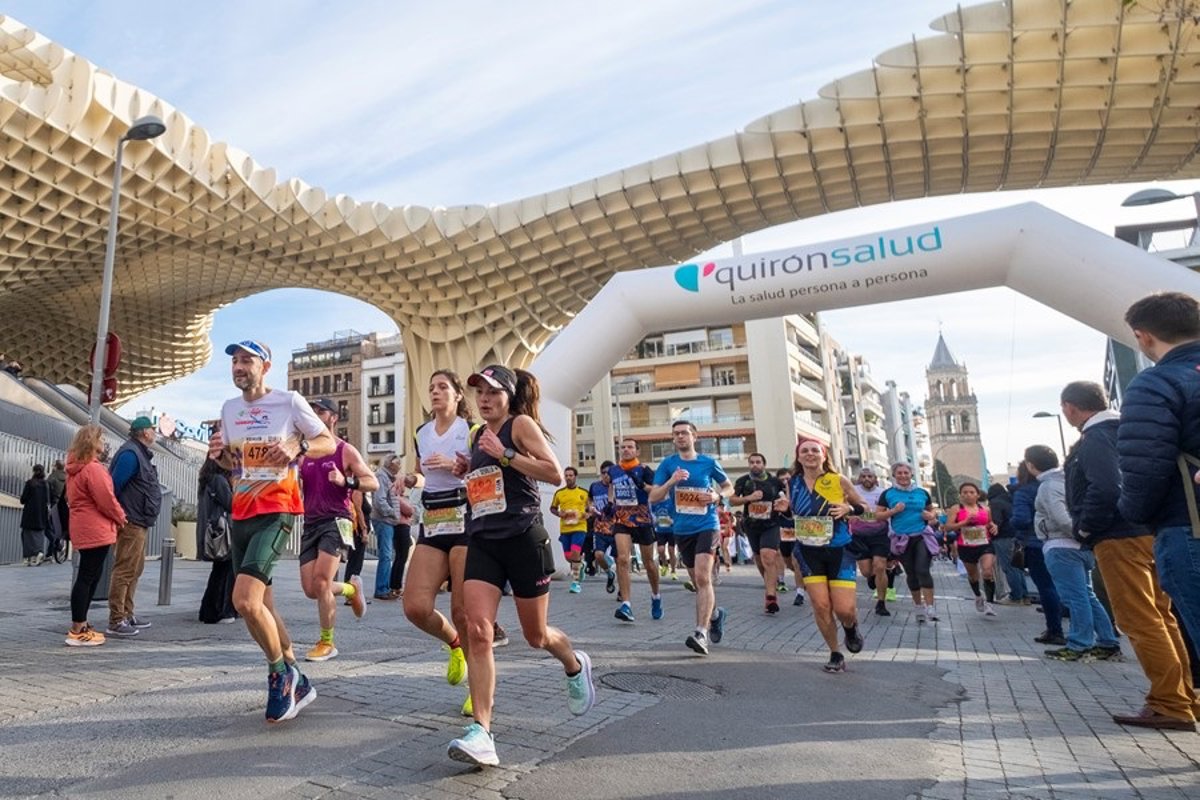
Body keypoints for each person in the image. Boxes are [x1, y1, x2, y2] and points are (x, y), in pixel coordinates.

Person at [446, 365, 594, 767]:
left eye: (493, 392)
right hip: (482, 540)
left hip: (522, 539)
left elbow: (553, 473)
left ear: (509, 396)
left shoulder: (519, 425)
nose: (484, 400)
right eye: (479, 393)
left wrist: (506, 455)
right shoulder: (478, 435)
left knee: (536, 635)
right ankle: (482, 731)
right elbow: (488, 480)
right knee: (477, 630)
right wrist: (470, 469)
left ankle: (575, 664)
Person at [208, 339, 336, 723]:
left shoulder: (290, 401)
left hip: (278, 508)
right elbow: (232, 461)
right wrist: (218, 453)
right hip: (242, 511)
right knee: (263, 606)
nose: (239, 367)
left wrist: (296, 446)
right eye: (234, 361)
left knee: (245, 601)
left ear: (265, 365)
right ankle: (298, 676)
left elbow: (326, 441)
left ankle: (280, 674)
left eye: (247, 360)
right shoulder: (230, 409)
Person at [1062, 380, 1198, 731]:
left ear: (1070, 408)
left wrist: (1086, 528)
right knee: (1162, 617)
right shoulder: (1127, 429)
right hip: (1150, 531)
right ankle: (1183, 697)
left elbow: (1105, 487)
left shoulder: (1095, 439)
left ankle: (1169, 702)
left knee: (1141, 620)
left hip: (1118, 537)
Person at [1117, 292, 1200, 675]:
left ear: (1143, 336)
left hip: (1188, 523)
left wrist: (1133, 513)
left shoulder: (1156, 383)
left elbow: (1145, 466)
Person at [401, 369, 476, 717]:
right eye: (431, 387)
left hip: (464, 515)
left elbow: (482, 471)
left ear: (458, 395)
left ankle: (479, 687)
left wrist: (459, 465)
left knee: (463, 611)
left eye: (442, 387)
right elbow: (423, 474)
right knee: (415, 606)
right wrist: (408, 479)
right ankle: (454, 645)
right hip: (432, 518)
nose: (435, 392)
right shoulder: (421, 432)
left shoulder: (470, 431)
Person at [1026, 444, 1120, 662]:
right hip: (1079, 547)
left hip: (1061, 546)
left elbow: (1060, 516)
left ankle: (1079, 643)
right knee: (1087, 595)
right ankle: (1107, 641)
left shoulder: (1048, 486)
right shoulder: (1066, 480)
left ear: (1031, 465)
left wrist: (1079, 533)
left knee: (1075, 597)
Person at [649, 419, 734, 656]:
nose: (680, 437)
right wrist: (671, 481)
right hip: (682, 529)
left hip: (707, 525)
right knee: (697, 581)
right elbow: (654, 497)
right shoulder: (668, 464)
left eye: (684, 433)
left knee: (702, 576)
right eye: (676, 434)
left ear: (694, 437)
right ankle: (716, 615)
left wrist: (717, 496)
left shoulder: (708, 463)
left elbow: (729, 487)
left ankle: (700, 633)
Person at [298, 398, 373, 661]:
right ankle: (352, 590)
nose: (316, 415)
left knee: (321, 582)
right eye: (312, 411)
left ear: (333, 418)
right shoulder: (304, 453)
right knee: (311, 589)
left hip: (337, 520)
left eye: (321, 411)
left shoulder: (344, 450)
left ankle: (327, 642)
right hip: (311, 523)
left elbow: (371, 482)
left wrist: (346, 481)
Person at [788, 438, 868, 673]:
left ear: (824, 456)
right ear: (799, 457)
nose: (810, 454)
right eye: (805, 451)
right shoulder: (792, 483)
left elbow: (865, 507)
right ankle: (835, 652)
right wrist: (785, 509)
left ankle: (850, 627)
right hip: (808, 551)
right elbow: (795, 513)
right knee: (821, 605)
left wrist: (849, 509)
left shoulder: (838, 480)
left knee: (844, 609)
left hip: (839, 549)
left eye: (815, 450)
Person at [64, 426, 126, 646]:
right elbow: (106, 499)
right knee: (88, 576)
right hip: (96, 528)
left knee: (90, 575)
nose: (104, 442)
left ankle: (81, 624)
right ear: (92, 442)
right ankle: (78, 628)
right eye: (101, 438)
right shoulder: (93, 469)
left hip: (83, 527)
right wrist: (120, 517)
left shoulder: (75, 468)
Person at [106, 416, 162, 638]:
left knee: (135, 570)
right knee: (124, 570)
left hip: (139, 521)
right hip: (130, 521)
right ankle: (116, 619)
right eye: (152, 429)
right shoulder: (131, 454)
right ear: (143, 432)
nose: (154, 433)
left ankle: (127, 613)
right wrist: (120, 515)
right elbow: (114, 486)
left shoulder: (139, 454)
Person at [877, 462, 939, 623]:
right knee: (911, 573)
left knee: (922, 570)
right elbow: (878, 516)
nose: (903, 476)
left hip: (921, 535)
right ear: (894, 475)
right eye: (899, 473)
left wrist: (930, 515)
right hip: (901, 538)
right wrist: (893, 511)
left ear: (911, 474)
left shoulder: (922, 493)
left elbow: (932, 511)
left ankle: (930, 607)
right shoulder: (888, 494)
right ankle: (918, 606)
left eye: (906, 473)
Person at [608, 439, 662, 621]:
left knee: (649, 563)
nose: (625, 450)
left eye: (630, 447)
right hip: (622, 517)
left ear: (637, 451)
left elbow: (655, 492)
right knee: (622, 559)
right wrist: (610, 503)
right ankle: (626, 604)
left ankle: (656, 596)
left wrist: (642, 485)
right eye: (622, 447)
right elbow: (611, 487)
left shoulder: (645, 470)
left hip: (642, 518)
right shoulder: (614, 470)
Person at [731, 453, 786, 614]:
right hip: (752, 525)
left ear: (764, 464)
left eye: (758, 462)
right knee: (760, 561)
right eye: (752, 462)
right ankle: (770, 584)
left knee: (768, 556)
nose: (755, 465)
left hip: (771, 524)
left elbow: (786, 499)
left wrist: (781, 503)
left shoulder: (775, 482)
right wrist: (749, 498)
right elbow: (732, 500)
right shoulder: (743, 481)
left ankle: (771, 597)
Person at [944, 481, 999, 615]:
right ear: (960, 495)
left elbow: (990, 523)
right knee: (973, 576)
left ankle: (990, 603)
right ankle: (978, 596)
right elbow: (948, 527)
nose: (968, 495)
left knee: (987, 571)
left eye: (971, 492)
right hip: (966, 546)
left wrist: (994, 526)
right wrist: (964, 522)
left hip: (985, 544)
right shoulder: (956, 509)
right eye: (965, 493)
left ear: (977, 495)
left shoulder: (985, 509)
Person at [197, 455, 238, 624]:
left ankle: (209, 610)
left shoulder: (207, 479)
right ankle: (218, 611)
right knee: (224, 570)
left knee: (220, 570)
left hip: (214, 531)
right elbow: (231, 504)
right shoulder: (219, 480)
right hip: (222, 532)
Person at [847, 467, 892, 616]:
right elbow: (844, 507)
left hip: (879, 534)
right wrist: (849, 516)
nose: (867, 479)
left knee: (880, 566)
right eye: (864, 476)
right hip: (858, 534)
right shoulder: (853, 491)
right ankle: (871, 577)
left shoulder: (883, 493)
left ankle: (881, 603)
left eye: (870, 476)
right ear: (859, 478)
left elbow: (889, 512)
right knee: (866, 571)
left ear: (875, 478)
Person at [551, 466, 591, 594]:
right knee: (569, 557)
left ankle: (575, 583)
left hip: (580, 527)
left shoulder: (584, 493)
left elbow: (591, 509)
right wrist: (559, 514)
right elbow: (552, 508)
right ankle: (581, 565)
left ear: (575, 477)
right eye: (566, 475)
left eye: (571, 475)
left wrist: (587, 515)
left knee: (574, 554)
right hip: (565, 528)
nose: (568, 478)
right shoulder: (559, 493)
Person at [987, 483, 1026, 604]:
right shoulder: (1011, 500)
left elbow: (996, 521)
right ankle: (1024, 595)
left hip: (1003, 537)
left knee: (1009, 567)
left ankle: (1016, 596)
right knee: (1018, 566)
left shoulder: (995, 503)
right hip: (1016, 536)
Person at [776, 468, 805, 607]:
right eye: (782, 479)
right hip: (783, 531)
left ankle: (800, 593)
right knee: (788, 562)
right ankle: (804, 578)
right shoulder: (776, 493)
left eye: (788, 479)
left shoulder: (799, 491)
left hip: (798, 529)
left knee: (796, 561)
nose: (785, 481)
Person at [588, 461, 617, 594]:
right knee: (598, 555)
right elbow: (590, 501)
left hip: (616, 527)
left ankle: (623, 590)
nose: (606, 475)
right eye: (603, 473)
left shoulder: (617, 487)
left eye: (608, 473)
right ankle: (609, 574)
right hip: (599, 527)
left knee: (621, 560)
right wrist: (591, 508)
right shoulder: (594, 486)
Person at [20, 464, 50, 566]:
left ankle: (27, 558)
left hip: (29, 513)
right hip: (41, 513)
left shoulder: (30, 483)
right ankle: (39, 552)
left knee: (27, 535)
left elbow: (23, 499)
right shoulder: (46, 484)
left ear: (34, 471)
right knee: (39, 534)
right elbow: (47, 500)